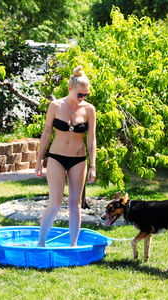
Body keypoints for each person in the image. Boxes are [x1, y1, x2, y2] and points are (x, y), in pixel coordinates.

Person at [35, 65, 96, 247]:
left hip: (79, 159)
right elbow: (46, 133)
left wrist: (93, 165)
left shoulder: (89, 110)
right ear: (70, 88)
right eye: (80, 94)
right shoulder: (55, 106)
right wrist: (39, 160)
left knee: (75, 204)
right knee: (55, 202)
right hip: (56, 157)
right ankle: (40, 243)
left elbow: (92, 139)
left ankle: (73, 245)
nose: (82, 98)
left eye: (86, 95)